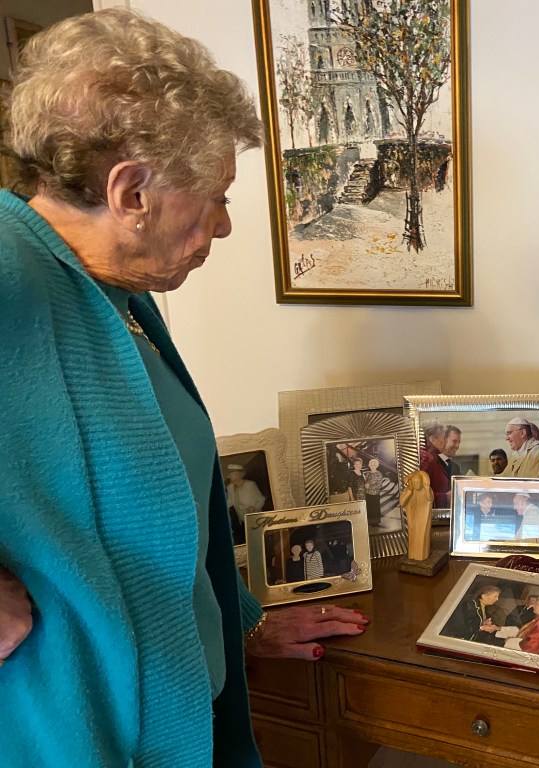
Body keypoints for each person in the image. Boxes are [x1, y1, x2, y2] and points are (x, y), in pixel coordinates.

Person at [0, 11, 368, 764]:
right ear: (131, 190)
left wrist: (243, 623)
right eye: (217, 195)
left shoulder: (115, 296)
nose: (225, 226)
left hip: (184, 718)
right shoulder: (11, 266)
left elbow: (159, 524)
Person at [225, 463, 265, 543]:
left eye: (231, 474)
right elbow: (229, 502)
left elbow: (261, 499)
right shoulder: (230, 487)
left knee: (259, 540)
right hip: (242, 521)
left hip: (255, 519)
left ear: (238, 474)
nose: (228, 476)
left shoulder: (250, 485)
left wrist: (254, 508)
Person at [400, 470, 434, 560]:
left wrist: (427, 488)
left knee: (423, 536)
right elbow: (402, 503)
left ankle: (422, 555)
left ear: (422, 481)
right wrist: (409, 492)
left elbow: (430, 499)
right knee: (413, 536)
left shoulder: (427, 489)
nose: (416, 485)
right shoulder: (409, 490)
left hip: (423, 518)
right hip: (413, 518)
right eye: (414, 483)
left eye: (418, 482)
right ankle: (413, 555)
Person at [419, 421, 451, 506]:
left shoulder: (431, 457)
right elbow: (419, 492)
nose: (446, 442)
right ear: (432, 439)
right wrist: (446, 496)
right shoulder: (425, 457)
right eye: (444, 438)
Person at [363, 457, 385, 527]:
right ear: (369, 466)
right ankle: (370, 521)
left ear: (376, 466)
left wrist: (369, 486)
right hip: (368, 494)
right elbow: (365, 482)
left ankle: (375, 522)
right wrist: (365, 485)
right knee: (369, 508)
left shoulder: (379, 474)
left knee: (375, 508)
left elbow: (379, 485)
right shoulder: (368, 474)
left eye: (374, 465)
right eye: (371, 465)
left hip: (375, 494)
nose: (373, 466)